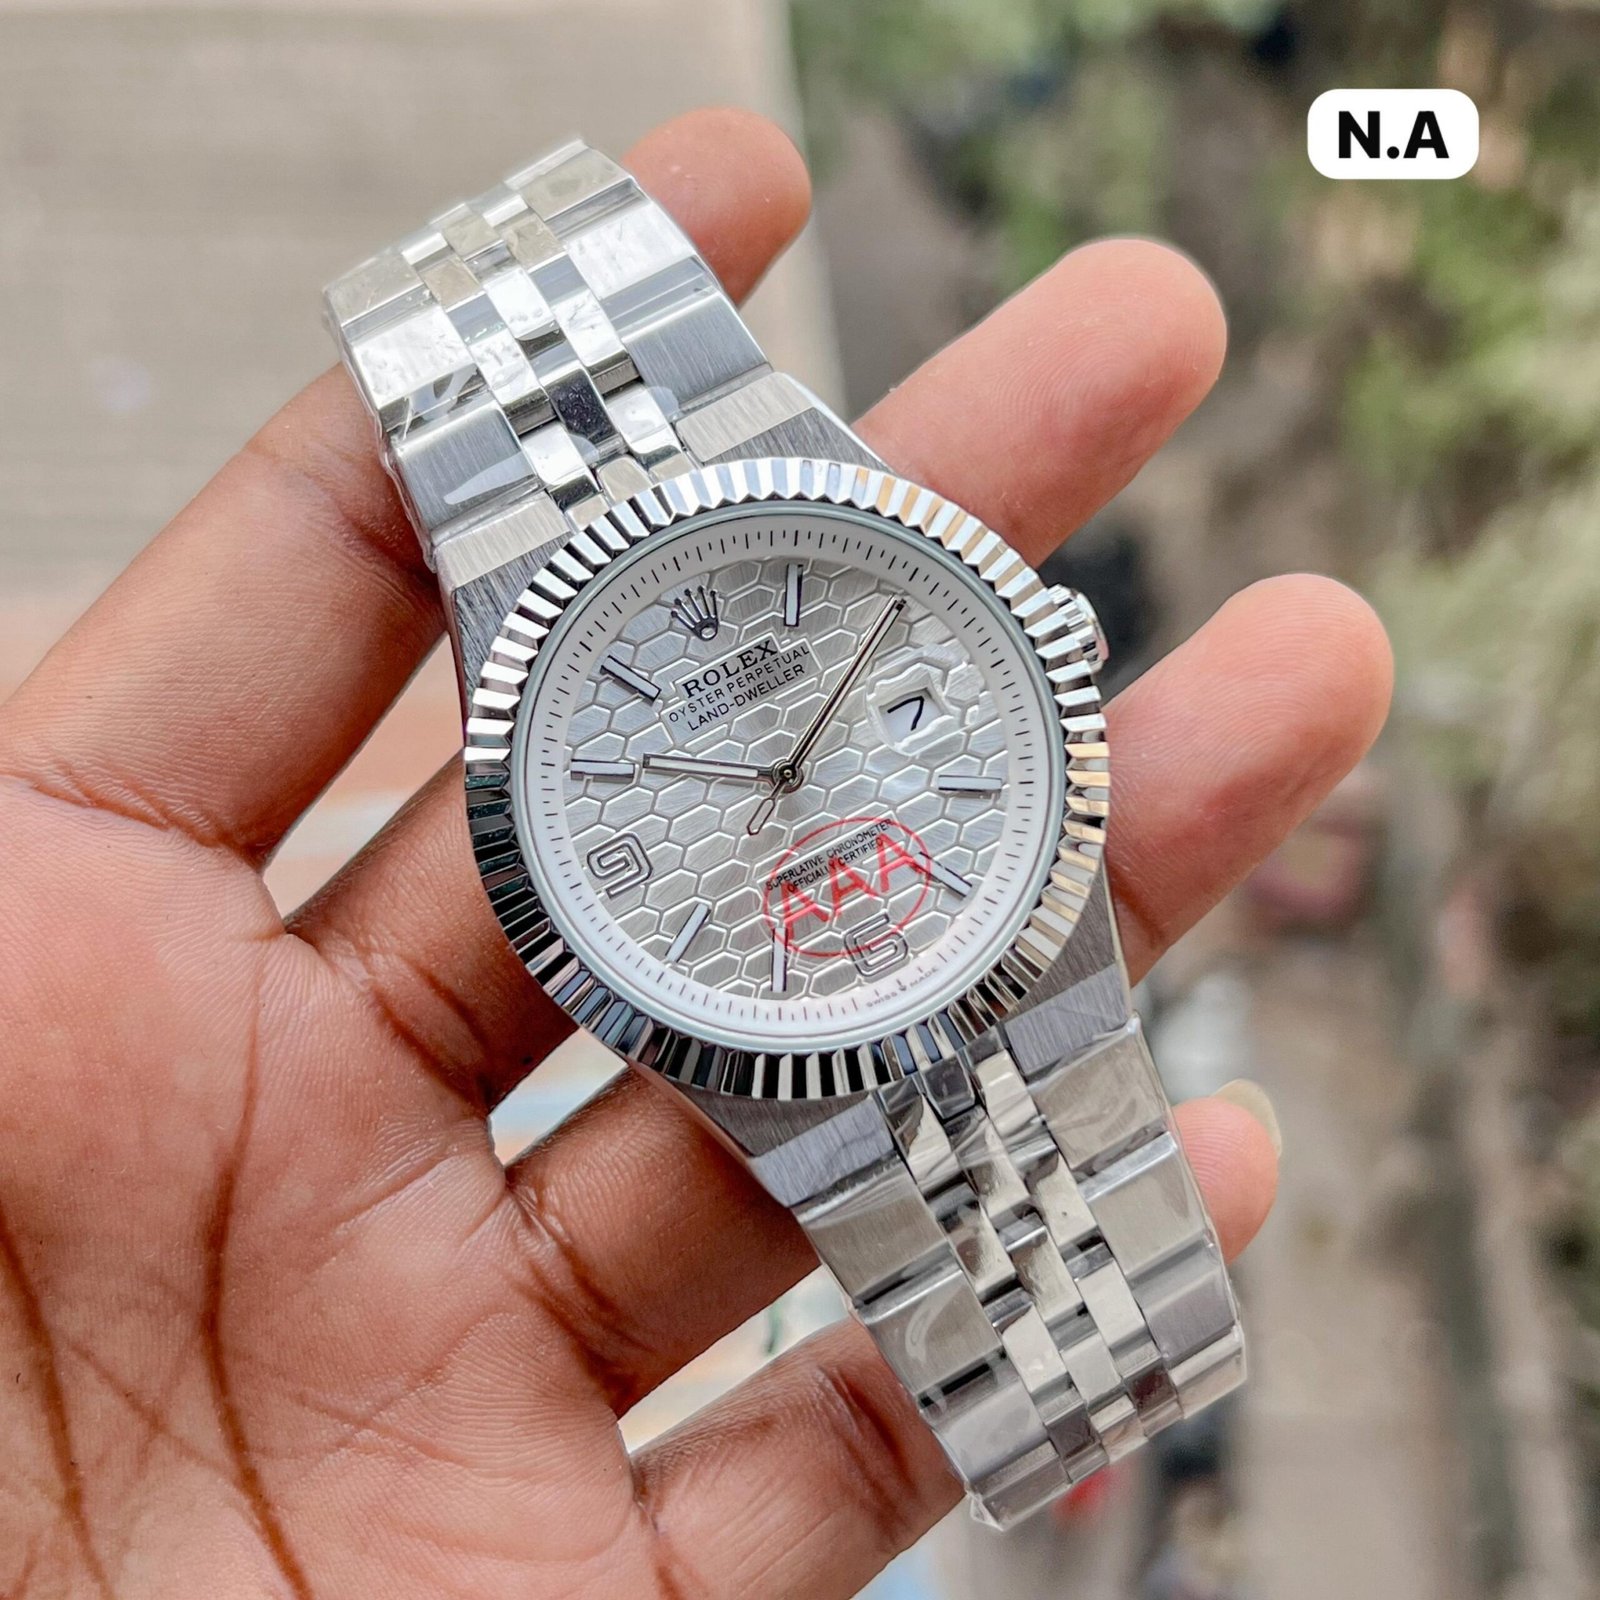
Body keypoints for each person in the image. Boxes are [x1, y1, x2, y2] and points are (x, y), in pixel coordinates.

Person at [0, 109, 1389, 1598]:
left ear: (1043, 648)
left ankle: (1084, 1373)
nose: (782, 780)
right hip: (789, 971)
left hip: (926, 925)